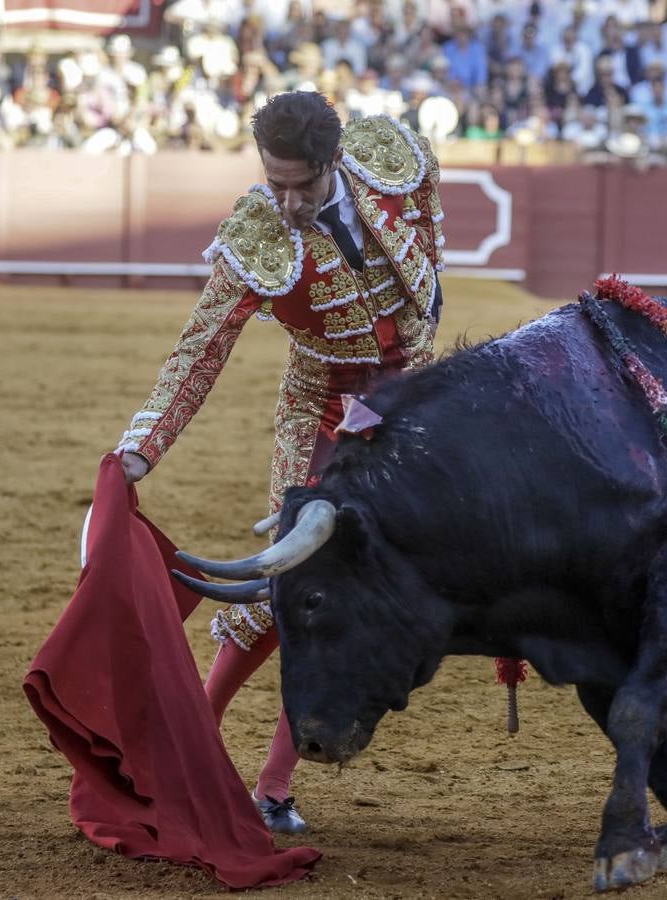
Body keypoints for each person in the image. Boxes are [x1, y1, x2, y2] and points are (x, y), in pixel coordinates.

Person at [114, 91, 445, 833]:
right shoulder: (257, 234)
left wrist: (422, 345)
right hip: (323, 405)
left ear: (335, 162)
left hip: (407, 411)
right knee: (284, 580)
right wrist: (142, 448)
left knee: (365, 596)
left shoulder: (391, 159)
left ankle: (273, 788)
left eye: (302, 184)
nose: (288, 201)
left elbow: (427, 234)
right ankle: (184, 747)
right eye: (276, 183)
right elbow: (201, 349)